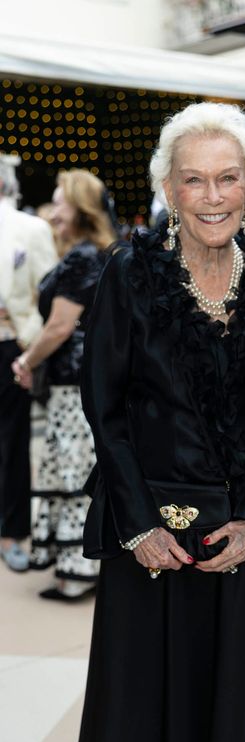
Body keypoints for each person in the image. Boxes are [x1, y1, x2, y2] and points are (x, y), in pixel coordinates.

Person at [69, 102, 245, 742]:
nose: (212, 196)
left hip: (238, 541)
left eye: (228, 177)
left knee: (220, 720)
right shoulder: (129, 273)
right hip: (150, 540)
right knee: (134, 724)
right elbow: (105, 410)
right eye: (193, 180)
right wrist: (139, 526)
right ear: (168, 188)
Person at [12, 168, 115, 600]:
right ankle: (79, 567)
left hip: (72, 383)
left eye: (59, 204)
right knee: (78, 471)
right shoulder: (100, 252)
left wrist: (26, 360)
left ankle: (76, 573)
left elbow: (58, 327)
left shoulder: (82, 257)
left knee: (73, 474)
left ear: (79, 207)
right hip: (83, 379)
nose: (53, 214)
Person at [0, 153, 57, 572]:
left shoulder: (30, 228)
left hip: (10, 348)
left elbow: (49, 291)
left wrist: (29, 346)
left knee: (13, 443)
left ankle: (12, 532)